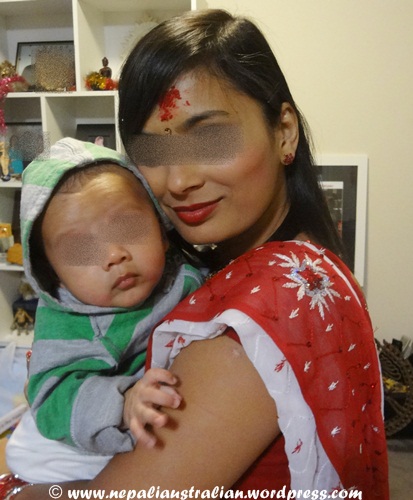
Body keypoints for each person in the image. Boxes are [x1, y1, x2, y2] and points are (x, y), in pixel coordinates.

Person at [6, 9, 388, 499]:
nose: (179, 181)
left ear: (284, 131)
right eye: (153, 153)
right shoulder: (294, 266)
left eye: (210, 139)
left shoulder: (263, 312)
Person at [4, 137, 203, 484]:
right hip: (69, 446)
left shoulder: (177, 271)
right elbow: (52, 398)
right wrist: (122, 403)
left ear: (162, 230)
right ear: (52, 272)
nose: (113, 255)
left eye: (129, 228)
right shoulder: (69, 323)